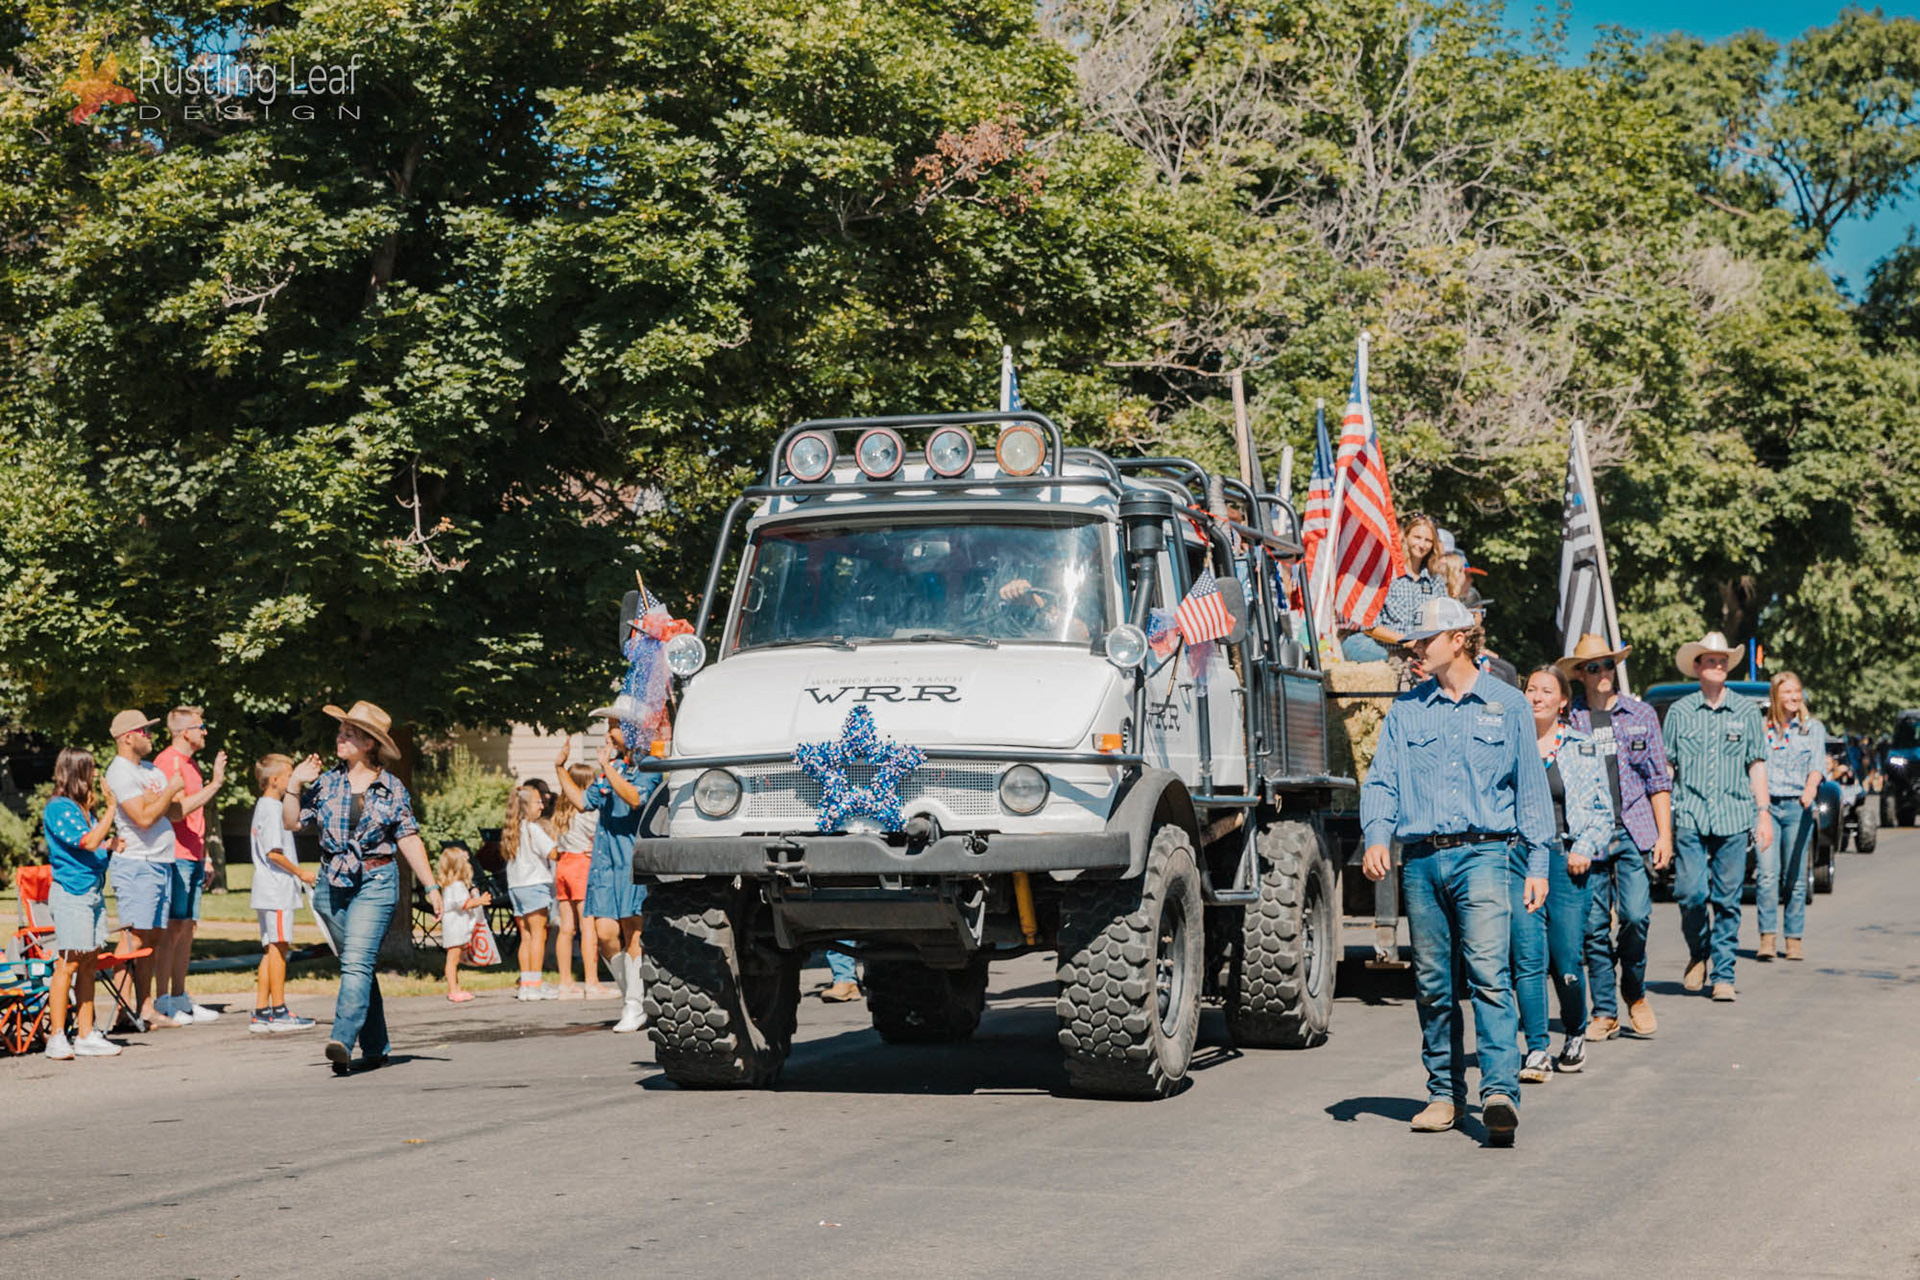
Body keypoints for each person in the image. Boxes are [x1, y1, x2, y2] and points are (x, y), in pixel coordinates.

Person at [1360, 596, 1553, 1146]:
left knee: (1491, 975)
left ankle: (1499, 1094)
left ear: (1460, 639)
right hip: (1422, 862)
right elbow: (1382, 781)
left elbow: (1530, 788)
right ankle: (1443, 1095)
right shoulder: (1407, 710)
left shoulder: (1509, 704)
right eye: (1415, 642)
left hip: (1487, 856)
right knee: (1433, 986)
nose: (1417, 650)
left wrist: (1537, 862)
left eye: (1425, 640)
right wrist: (1378, 834)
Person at [284, 700, 444, 1075]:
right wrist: (293, 782)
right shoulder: (326, 783)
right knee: (359, 964)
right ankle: (376, 1047)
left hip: (376, 880)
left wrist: (431, 886)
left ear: (369, 744)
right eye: (340, 732)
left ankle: (342, 1038)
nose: (340, 738)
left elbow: (408, 838)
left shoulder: (391, 788)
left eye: (349, 734)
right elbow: (292, 823)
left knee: (355, 963)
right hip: (331, 885)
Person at [1560, 633, 1673, 1040]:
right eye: (1594, 667)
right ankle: (1604, 1011)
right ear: (1580, 674)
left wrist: (1665, 836)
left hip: (1633, 828)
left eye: (1608, 665)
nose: (1604, 673)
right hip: (1588, 833)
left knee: (1636, 916)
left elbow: (1658, 780)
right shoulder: (1568, 719)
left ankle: (1635, 992)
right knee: (1592, 926)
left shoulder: (1640, 714)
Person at [1663, 631, 1769, 1003]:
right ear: (1698, 667)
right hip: (1690, 813)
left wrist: (1764, 814)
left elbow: (1756, 763)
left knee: (1727, 898)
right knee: (1690, 893)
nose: (1718, 665)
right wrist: (1662, 821)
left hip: (1735, 815)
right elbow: (1667, 767)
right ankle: (1699, 952)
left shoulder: (1745, 711)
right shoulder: (1679, 712)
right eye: (1711, 660)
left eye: (1723, 660)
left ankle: (1724, 972)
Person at [1519, 666, 1612, 1080]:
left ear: (1562, 702)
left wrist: (1584, 848)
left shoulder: (1582, 747)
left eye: (1546, 691)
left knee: (1566, 960)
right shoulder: (1508, 744)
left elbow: (1602, 813)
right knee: (1527, 955)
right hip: (1519, 859)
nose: (1536, 696)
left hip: (1565, 859)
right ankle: (1536, 1047)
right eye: (1530, 689)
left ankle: (1574, 1031)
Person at [556, 696, 660, 1034]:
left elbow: (634, 798)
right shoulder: (611, 768)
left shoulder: (648, 765)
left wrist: (610, 769)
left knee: (634, 930)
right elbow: (584, 802)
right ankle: (636, 997)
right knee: (604, 933)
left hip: (632, 861)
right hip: (605, 864)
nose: (607, 734)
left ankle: (633, 1005)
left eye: (613, 727)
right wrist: (559, 768)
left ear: (632, 731)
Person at [104, 709, 186, 1029]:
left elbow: (175, 812)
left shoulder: (151, 770)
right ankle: (123, 1013)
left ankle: (145, 1008)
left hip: (160, 863)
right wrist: (165, 795)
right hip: (137, 865)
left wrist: (164, 796)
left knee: (150, 940)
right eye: (145, 731)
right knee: (133, 939)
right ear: (128, 737)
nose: (150, 736)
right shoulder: (121, 772)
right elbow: (143, 818)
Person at [42, 748, 124, 1060]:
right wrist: (111, 809)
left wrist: (109, 845)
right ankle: (57, 1036)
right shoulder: (58, 808)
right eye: (89, 770)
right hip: (72, 894)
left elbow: (92, 846)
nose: (94, 776)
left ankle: (86, 1033)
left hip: (90, 892)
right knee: (70, 961)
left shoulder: (80, 808)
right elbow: (87, 842)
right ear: (76, 773)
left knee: (89, 960)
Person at [153, 707, 228, 1026]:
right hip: (175, 857)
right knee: (172, 929)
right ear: (185, 732)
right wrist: (215, 784)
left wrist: (207, 856)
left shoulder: (189, 764)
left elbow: (198, 817)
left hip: (194, 856)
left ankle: (181, 997)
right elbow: (176, 811)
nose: (205, 732)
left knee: (187, 928)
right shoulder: (168, 762)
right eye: (201, 727)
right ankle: (163, 1000)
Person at [1760, 672, 1825, 962]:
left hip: (1798, 807)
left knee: (1795, 877)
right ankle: (1767, 937)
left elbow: (1817, 765)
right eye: (1787, 693)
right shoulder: (1763, 729)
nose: (1793, 698)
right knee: (1766, 875)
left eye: (1797, 691)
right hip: (1767, 807)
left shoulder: (1813, 729)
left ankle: (1794, 938)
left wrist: (1810, 788)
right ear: (1776, 697)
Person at [249, 755, 317, 1034]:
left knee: (271, 949)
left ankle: (263, 1011)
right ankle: (278, 1010)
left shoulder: (264, 807)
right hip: (276, 889)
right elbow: (273, 852)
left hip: (268, 889)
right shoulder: (273, 808)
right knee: (279, 948)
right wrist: (301, 873)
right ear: (275, 780)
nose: (293, 781)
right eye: (289, 775)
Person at [1345, 512, 1447, 662]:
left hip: (1421, 654)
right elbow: (1369, 626)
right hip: (1384, 652)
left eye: (1428, 540)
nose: (1422, 545)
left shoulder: (1435, 581)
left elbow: (1444, 621)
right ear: (1405, 537)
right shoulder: (1385, 573)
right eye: (1417, 537)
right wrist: (1407, 642)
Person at [548, 760, 603, 999]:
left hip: (563, 866)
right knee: (587, 925)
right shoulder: (588, 812)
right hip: (582, 864)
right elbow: (597, 837)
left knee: (566, 928)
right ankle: (591, 981)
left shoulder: (560, 813)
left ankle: (565, 983)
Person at [501, 785, 558, 1000]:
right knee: (538, 935)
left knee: (525, 936)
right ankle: (535, 983)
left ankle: (526, 982)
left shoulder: (513, 830)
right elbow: (553, 853)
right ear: (526, 807)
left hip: (516, 886)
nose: (542, 805)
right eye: (537, 802)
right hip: (535, 886)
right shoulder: (533, 829)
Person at [435, 845, 489, 1003]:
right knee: (452, 960)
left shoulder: (455, 885)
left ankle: (456, 986)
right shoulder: (456, 886)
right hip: (455, 928)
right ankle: (453, 989)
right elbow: (463, 904)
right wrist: (480, 901)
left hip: (457, 927)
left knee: (455, 959)